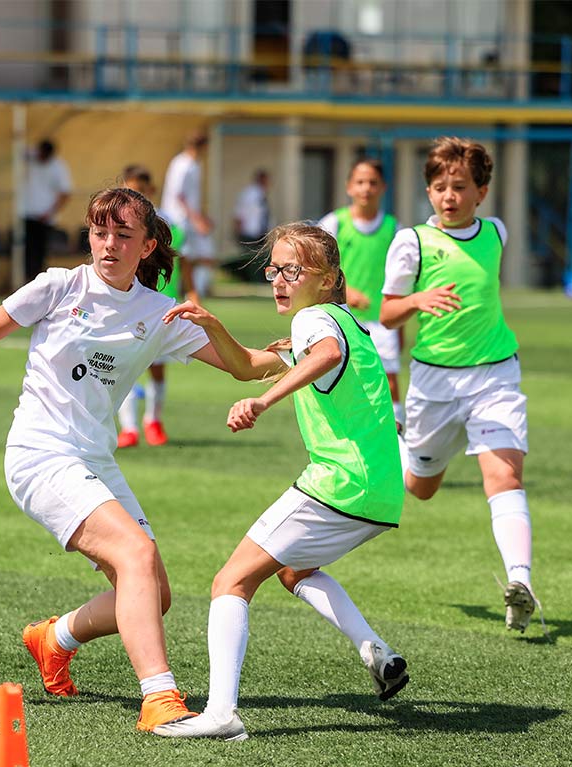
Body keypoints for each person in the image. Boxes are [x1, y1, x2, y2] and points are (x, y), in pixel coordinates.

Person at [0, 187, 260, 734]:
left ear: (147, 245)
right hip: (39, 455)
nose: (108, 245)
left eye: (123, 235)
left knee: (156, 593)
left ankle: (53, 638)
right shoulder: (58, 286)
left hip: (94, 460)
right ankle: (160, 698)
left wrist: (312, 344)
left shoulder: (161, 313)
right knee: (136, 552)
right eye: (100, 232)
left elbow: (246, 367)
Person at [154, 223, 409, 741]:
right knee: (294, 571)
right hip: (379, 491)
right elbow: (247, 366)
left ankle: (222, 713)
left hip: (339, 484)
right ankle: (377, 654)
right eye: (274, 268)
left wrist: (263, 403)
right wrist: (212, 326)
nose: (279, 279)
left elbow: (324, 359)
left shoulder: (315, 321)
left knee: (230, 582)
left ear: (330, 277)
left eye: (293, 269)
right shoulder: (340, 322)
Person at [379, 137, 541, 635]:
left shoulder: (496, 232)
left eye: (459, 186)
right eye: (439, 187)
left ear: (481, 192)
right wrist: (417, 300)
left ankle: (520, 584)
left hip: (496, 375)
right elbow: (387, 312)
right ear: (428, 192)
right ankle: (402, 441)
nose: (448, 195)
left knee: (505, 476)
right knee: (420, 488)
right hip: (434, 382)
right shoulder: (412, 242)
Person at [318, 158, 403, 429]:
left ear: (383, 188)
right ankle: (344, 428)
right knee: (341, 376)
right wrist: (345, 288)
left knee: (388, 380)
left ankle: (397, 436)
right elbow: (317, 261)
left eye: (373, 183)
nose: (366, 188)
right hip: (341, 317)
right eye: (360, 182)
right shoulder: (335, 223)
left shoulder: (393, 229)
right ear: (349, 187)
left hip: (380, 318)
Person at [116, 164, 187, 448]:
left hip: (160, 306)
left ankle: (153, 420)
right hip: (127, 304)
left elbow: (184, 262)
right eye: (132, 189)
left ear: (152, 192)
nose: (137, 195)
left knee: (157, 367)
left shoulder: (169, 224)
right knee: (123, 365)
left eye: (142, 191)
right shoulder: (116, 225)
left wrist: (192, 294)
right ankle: (129, 428)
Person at [162, 129, 215, 300]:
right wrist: (196, 219)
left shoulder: (195, 164)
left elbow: (193, 197)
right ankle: (178, 292)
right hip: (178, 220)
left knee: (199, 255)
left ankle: (191, 293)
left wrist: (201, 217)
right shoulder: (181, 164)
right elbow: (179, 196)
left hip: (190, 220)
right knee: (181, 257)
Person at [22, 139, 73, 284]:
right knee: (25, 251)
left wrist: (50, 213)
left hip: (44, 218)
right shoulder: (33, 158)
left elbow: (65, 193)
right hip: (27, 214)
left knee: (39, 252)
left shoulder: (59, 167)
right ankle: (26, 281)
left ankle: (36, 282)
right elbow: (19, 149)